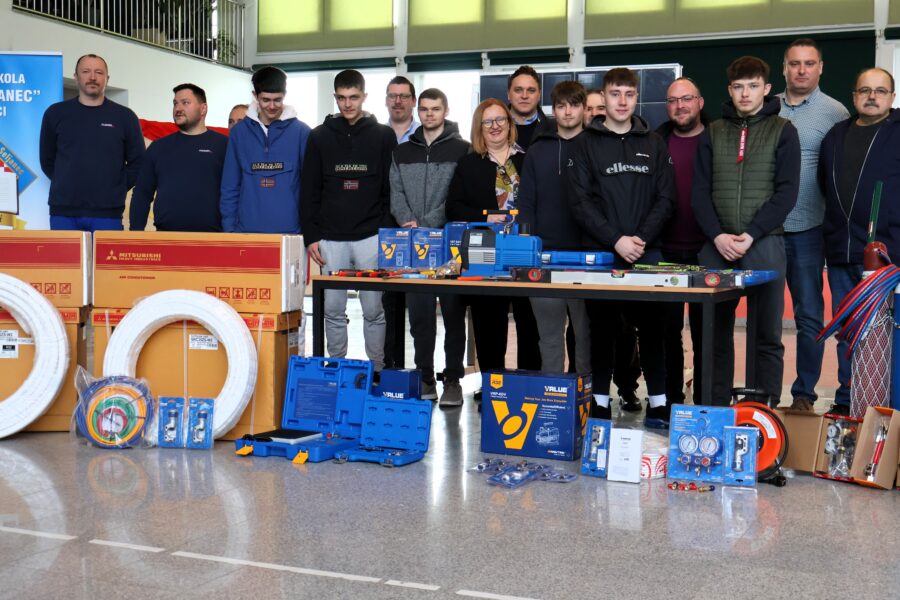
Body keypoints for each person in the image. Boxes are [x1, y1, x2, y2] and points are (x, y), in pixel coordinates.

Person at [568, 67, 675, 425]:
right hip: (602, 253)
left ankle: (658, 403)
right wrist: (616, 239)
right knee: (603, 330)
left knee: (654, 330)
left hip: (648, 252)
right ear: (604, 97)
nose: (622, 101)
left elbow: (666, 198)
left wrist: (640, 239)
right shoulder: (584, 144)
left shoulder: (654, 143)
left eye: (629, 94)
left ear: (636, 98)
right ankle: (600, 401)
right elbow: (580, 202)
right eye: (615, 94)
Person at [692, 56, 800, 407]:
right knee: (713, 332)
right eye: (738, 87)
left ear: (766, 89)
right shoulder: (713, 132)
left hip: (765, 241)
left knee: (766, 332)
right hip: (716, 245)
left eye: (753, 86)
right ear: (729, 90)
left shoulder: (784, 130)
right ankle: (713, 407)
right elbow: (699, 192)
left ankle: (760, 409)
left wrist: (752, 233)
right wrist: (717, 236)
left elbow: (787, 193)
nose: (745, 93)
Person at [301, 70, 396, 373]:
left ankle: (377, 370)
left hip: (371, 236)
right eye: (341, 98)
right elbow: (309, 189)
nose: (347, 104)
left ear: (364, 96)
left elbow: (390, 188)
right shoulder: (318, 136)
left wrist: (385, 233)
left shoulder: (383, 135)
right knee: (332, 310)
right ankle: (336, 368)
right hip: (330, 238)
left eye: (353, 97)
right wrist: (311, 236)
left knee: (374, 309)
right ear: (335, 98)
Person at [819, 67, 899, 416]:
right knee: (849, 329)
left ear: (892, 97)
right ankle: (848, 398)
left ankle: (888, 402)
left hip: (889, 255)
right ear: (854, 96)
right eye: (865, 90)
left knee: (886, 332)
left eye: (880, 91)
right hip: (842, 250)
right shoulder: (836, 135)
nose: (872, 96)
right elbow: (825, 184)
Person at [776, 39, 850, 412]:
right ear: (784, 68)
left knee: (808, 316)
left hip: (809, 230)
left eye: (809, 63)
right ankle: (762, 394)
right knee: (765, 318)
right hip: (766, 231)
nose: (801, 70)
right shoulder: (767, 105)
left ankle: (804, 394)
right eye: (794, 63)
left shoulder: (835, 112)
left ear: (820, 67)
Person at [446, 98, 541, 374]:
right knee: (488, 324)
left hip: (525, 252)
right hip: (486, 254)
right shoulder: (468, 164)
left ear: (510, 124)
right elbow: (453, 208)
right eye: (487, 121)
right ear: (479, 127)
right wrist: (484, 217)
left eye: (500, 119)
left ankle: (527, 383)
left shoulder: (529, 159)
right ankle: (492, 385)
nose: (494, 126)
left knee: (530, 323)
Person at [390, 88, 470, 406]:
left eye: (435, 109)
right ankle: (425, 377)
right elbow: (395, 191)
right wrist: (406, 219)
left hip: (449, 245)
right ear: (418, 111)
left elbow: (459, 195)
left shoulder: (463, 149)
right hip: (413, 246)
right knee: (420, 318)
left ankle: (452, 380)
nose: (429, 114)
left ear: (445, 111)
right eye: (424, 109)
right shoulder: (401, 152)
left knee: (453, 316)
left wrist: (429, 222)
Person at [517, 81, 591, 374]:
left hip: (588, 258)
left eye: (574, 105)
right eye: (561, 106)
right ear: (553, 110)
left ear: (584, 109)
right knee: (549, 337)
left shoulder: (596, 146)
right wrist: (528, 251)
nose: (568, 112)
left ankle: (586, 394)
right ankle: (553, 391)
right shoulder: (537, 151)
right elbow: (526, 203)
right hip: (544, 257)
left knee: (586, 336)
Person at [39, 54, 144, 232]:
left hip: (108, 213)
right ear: (76, 77)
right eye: (86, 71)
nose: (92, 77)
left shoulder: (125, 117)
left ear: (107, 78)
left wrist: (116, 186)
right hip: (64, 212)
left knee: (105, 254)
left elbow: (138, 162)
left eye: (99, 72)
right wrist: (66, 181)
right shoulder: (55, 114)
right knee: (65, 254)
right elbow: (47, 160)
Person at [656, 77, 709, 405]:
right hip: (665, 250)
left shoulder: (716, 139)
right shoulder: (656, 142)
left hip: (708, 251)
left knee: (706, 333)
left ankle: (704, 401)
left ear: (699, 102)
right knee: (667, 332)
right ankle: (671, 400)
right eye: (673, 100)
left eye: (686, 98)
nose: (680, 106)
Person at [220, 66, 311, 234]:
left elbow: (311, 188)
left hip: (292, 234)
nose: (272, 106)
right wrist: (230, 229)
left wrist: (307, 231)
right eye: (266, 100)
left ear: (285, 95)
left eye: (278, 100)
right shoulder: (239, 133)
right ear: (255, 96)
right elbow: (230, 185)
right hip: (246, 234)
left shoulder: (302, 133)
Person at [130, 84, 228, 232]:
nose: (178, 108)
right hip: (167, 236)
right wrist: (136, 233)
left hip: (212, 237)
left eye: (185, 102)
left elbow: (236, 193)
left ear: (203, 109)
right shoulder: (158, 147)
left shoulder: (223, 145)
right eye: (175, 103)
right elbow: (142, 194)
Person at [382, 76, 419, 370]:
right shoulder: (377, 135)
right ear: (386, 100)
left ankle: (423, 372)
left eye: (404, 96)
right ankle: (390, 367)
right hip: (386, 226)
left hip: (419, 228)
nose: (398, 101)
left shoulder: (423, 135)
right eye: (393, 96)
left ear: (413, 101)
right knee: (388, 303)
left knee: (419, 305)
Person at [507, 65, 553, 150]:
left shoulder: (554, 130)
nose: (524, 96)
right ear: (508, 94)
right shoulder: (492, 129)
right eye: (518, 90)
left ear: (539, 95)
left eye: (531, 90)